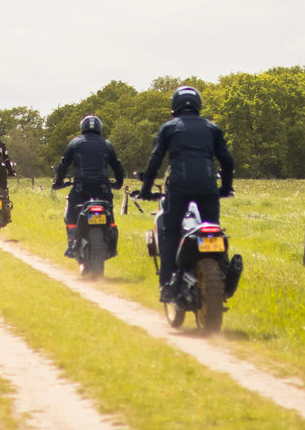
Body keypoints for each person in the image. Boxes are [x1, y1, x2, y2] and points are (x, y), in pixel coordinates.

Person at [138, 86, 235, 303]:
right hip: (208, 187)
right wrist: (226, 188)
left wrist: (145, 189)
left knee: (170, 231)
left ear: (175, 107)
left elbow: (155, 161)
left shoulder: (168, 128)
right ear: (198, 105)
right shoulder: (212, 128)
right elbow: (227, 161)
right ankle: (224, 274)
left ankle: (167, 285)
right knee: (213, 230)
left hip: (179, 187)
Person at [52, 115, 125, 258]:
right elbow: (118, 166)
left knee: (72, 215)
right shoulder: (107, 144)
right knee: (109, 214)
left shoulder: (75, 143)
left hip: (81, 188)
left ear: (82, 127)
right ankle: (111, 244)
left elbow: (63, 165)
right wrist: (118, 183)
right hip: (102, 188)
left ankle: (72, 244)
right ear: (100, 128)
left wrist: (59, 182)